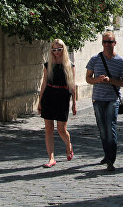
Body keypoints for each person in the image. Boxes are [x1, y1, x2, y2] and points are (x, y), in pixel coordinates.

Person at [86, 31, 123, 171]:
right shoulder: (95, 59)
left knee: (110, 128)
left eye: (109, 42)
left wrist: (110, 80)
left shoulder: (120, 61)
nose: (107, 45)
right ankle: (106, 154)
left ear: (114, 43)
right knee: (102, 130)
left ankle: (111, 159)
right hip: (98, 99)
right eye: (104, 42)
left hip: (112, 99)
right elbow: (88, 78)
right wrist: (97, 80)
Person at [37, 39, 77, 168]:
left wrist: (74, 104)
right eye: (54, 49)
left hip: (62, 97)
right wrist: (39, 101)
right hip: (49, 96)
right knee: (48, 128)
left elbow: (72, 86)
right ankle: (51, 158)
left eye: (59, 49)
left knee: (61, 129)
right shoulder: (48, 65)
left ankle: (68, 145)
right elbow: (44, 83)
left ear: (64, 49)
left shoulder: (69, 65)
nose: (57, 52)